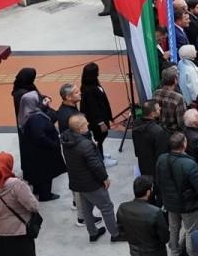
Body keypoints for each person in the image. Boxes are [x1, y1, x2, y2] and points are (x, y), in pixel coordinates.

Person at [63, 114, 125, 242]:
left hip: (77, 182)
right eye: (86, 124)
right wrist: (105, 178)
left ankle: (93, 233)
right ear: (80, 129)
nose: (88, 125)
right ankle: (115, 234)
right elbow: (95, 165)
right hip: (91, 183)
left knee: (86, 209)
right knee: (107, 207)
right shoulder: (85, 145)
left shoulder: (67, 139)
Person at [156, 132, 198, 256]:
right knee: (191, 230)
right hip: (187, 204)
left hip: (170, 202)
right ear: (184, 144)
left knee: (173, 227)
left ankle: (174, 251)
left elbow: (158, 180)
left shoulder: (162, 159)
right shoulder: (189, 164)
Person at [17, 91, 67, 202]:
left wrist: (45, 105)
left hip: (34, 151)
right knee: (46, 174)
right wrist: (53, 143)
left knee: (38, 173)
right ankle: (45, 195)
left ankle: (37, 189)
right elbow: (40, 136)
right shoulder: (36, 118)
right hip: (43, 152)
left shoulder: (27, 113)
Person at [80, 62, 117, 166]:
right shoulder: (89, 90)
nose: (99, 73)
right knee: (99, 137)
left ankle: (100, 153)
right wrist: (100, 123)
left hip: (102, 115)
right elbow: (93, 109)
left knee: (101, 137)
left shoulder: (93, 84)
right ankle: (101, 159)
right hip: (97, 120)